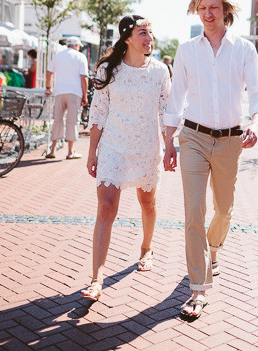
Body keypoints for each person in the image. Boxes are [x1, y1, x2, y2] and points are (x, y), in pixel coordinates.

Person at [162, 0, 258, 319]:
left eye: (213, 7)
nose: (208, 14)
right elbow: (175, 98)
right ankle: (198, 289)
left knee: (223, 209)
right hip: (192, 137)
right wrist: (168, 142)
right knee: (193, 211)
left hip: (229, 140)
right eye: (202, 8)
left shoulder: (244, 50)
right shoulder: (186, 50)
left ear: (226, 10)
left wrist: (254, 123)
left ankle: (215, 248)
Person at [82, 15, 171, 301]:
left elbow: (165, 112)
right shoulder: (108, 70)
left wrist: (170, 146)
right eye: (143, 32)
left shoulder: (160, 71)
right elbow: (98, 113)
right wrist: (92, 151)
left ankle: (146, 247)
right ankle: (96, 278)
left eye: (150, 32)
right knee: (106, 208)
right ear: (128, 38)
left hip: (146, 148)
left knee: (148, 202)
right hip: (113, 148)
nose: (149, 38)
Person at [45, 37, 89, 159]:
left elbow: (49, 72)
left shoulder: (58, 55)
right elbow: (84, 77)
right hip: (75, 93)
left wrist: (48, 87)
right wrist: (85, 95)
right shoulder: (80, 57)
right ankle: (70, 152)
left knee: (57, 120)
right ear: (77, 46)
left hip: (59, 91)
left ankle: (52, 150)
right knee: (72, 121)